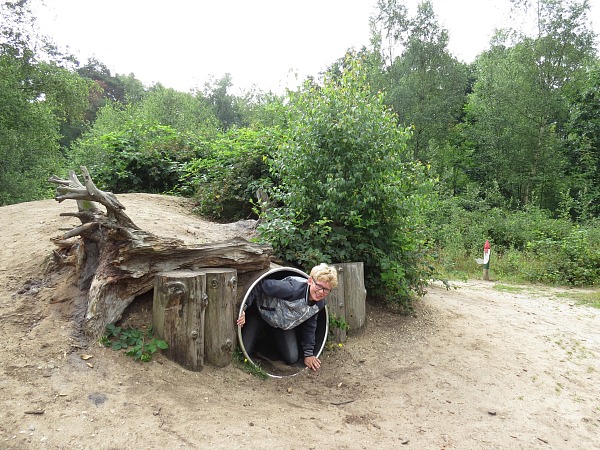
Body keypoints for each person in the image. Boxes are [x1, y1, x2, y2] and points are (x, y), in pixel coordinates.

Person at [236, 263, 338, 371]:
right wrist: (244, 307)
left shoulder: (318, 304)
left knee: (292, 358)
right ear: (310, 281)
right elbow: (260, 285)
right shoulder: (292, 289)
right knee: (244, 351)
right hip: (260, 314)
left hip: (282, 325)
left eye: (326, 290)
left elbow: (310, 327)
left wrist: (308, 354)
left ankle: (268, 345)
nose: (321, 292)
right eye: (319, 286)